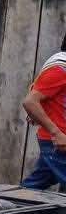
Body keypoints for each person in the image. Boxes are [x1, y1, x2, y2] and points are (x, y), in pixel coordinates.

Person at [22, 37, 66, 189]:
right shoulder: (60, 69)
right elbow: (30, 102)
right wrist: (56, 133)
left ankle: (11, 201)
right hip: (59, 141)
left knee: (34, 185)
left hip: (57, 142)